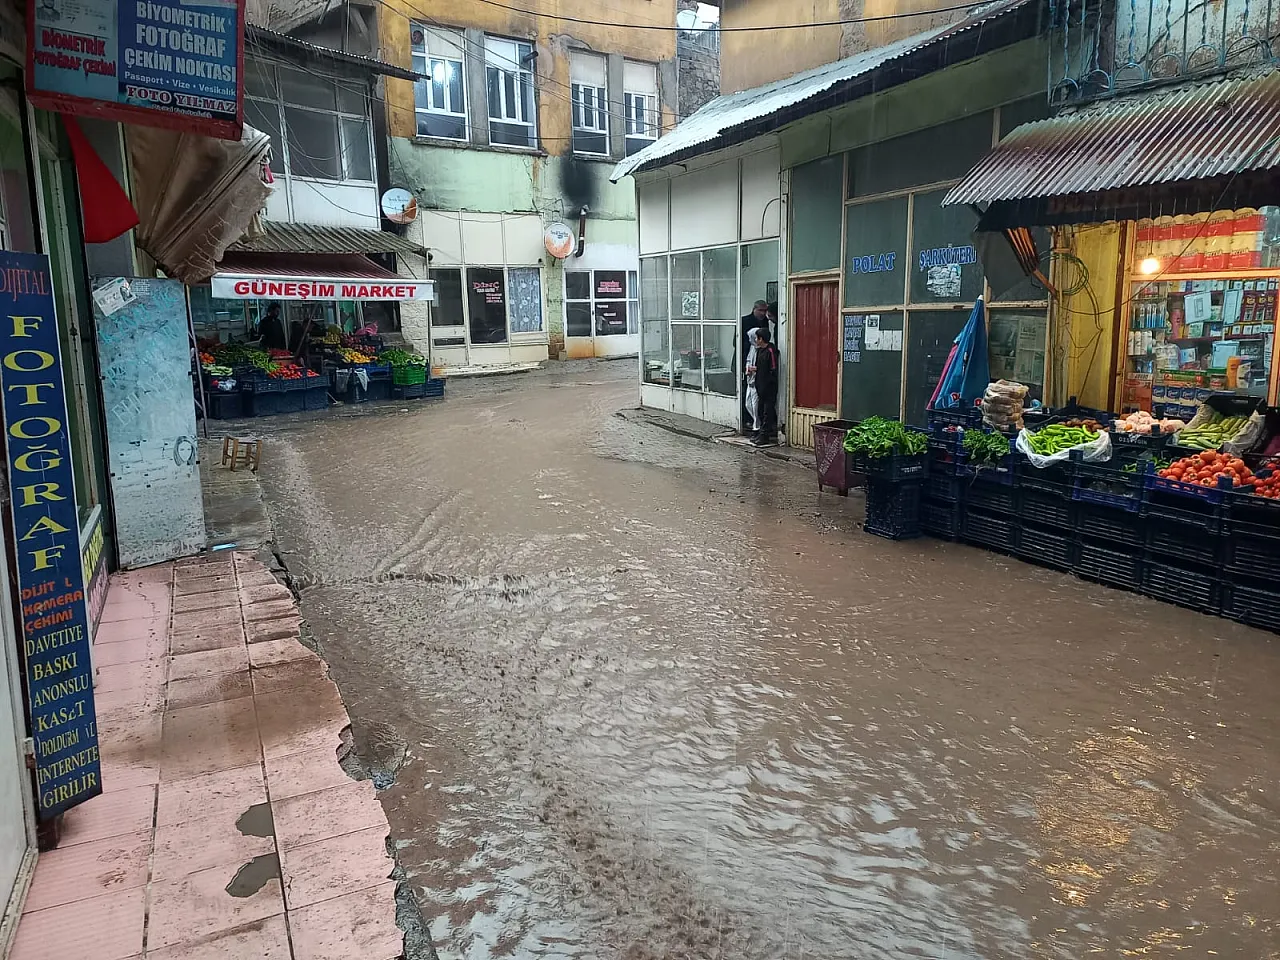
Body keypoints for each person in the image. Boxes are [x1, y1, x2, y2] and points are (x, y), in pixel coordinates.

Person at [740, 300, 768, 431]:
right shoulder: (744, 321)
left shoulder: (765, 322)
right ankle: (746, 419)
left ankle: (757, 422)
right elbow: (738, 342)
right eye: (761, 310)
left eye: (765, 311)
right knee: (746, 394)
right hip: (745, 360)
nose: (763, 313)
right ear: (754, 309)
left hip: (758, 362)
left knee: (756, 397)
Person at [753, 327, 781, 446]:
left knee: (767, 411)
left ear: (761, 339)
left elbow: (773, 369)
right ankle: (761, 432)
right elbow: (759, 367)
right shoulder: (759, 351)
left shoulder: (771, 350)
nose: (755, 340)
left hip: (769, 387)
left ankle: (765, 435)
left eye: (757, 338)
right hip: (760, 385)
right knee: (759, 410)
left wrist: (768, 383)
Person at [743, 326, 761, 438]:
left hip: (757, 382)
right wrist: (747, 368)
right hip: (750, 379)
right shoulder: (752, 347)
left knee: (756, 406)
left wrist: (755, 368)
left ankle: (757, 427)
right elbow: (748, 360)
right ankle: (756, 422)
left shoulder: (763, 349)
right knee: (748, 404)